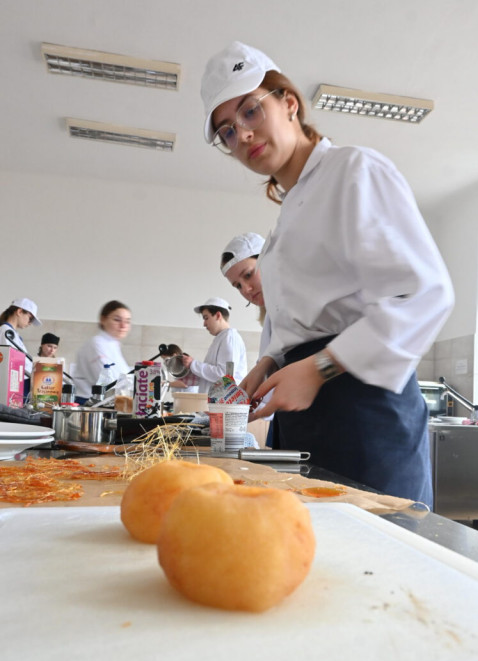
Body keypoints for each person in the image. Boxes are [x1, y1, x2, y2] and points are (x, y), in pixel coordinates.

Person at [200, 41, 455, 506]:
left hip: (363, 410)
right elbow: (301, 325)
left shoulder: (354, 171)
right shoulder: (283, 226)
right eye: (227, 132)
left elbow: (423, 294)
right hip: (304, 408)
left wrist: (320, 368)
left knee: (377, 560)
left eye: (251, 112)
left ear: (289, 103)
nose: (243, 136)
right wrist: (265, 365)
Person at [220, 231, 274, 445]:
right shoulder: (272, 315)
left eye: (249, 274)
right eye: (238, 286)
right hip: (287, 420)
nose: (247, 289)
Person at [172, 298, 247, 395]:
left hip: (224, 405)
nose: (204, 324)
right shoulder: (222, 337)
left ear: (218, 315)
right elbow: (212, 376)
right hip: (215, 404)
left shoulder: (230, 337)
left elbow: (225, 375)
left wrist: (193, 364)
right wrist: (188, 373)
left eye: (206, 318)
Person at [74, 300, 132, 403]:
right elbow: (107, 382)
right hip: (90, 404)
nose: (123, 326)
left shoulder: (113, 345)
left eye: (127, 321)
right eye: (117, 320)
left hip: (108, 402)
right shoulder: (97, 344)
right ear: (103, 319)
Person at [0, 298, 42, 384]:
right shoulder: (6, 332)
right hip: (14, 382)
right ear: (19, 312)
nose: (30, 323)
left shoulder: (12, 334)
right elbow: (9, 362)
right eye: (30, 318)